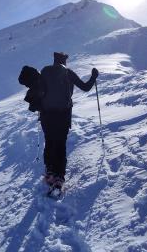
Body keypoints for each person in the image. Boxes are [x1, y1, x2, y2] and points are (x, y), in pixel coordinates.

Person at [40, 52, 98, 190]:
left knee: (49, 141)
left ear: (54, 60)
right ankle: (59, 176)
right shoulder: (67, 72)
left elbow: (38, 92)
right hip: (63, 115)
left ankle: (49, 172)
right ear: (64, 61)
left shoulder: (44, 72)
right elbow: (85, 87)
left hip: (46, 115)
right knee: (60, 144)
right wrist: (94, 76)